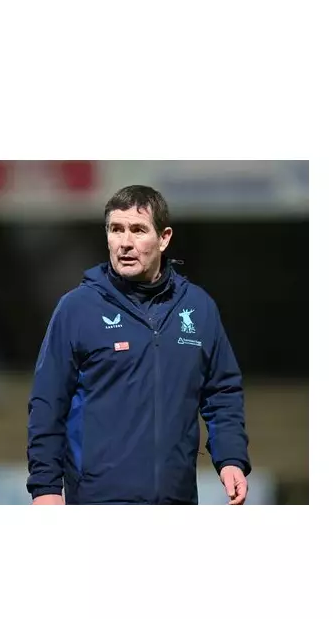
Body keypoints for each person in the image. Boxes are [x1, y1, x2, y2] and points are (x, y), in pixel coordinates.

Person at [26, 185, 251, 505]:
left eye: (138, 230)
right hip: (97, 500)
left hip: (177, 499)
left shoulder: (199, 308)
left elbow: (222, 393)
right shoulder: (76, 309)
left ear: (164, 238)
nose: (125, 242)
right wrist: (45, 488)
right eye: (116, 229)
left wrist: (230, 459)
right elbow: (47, 405)